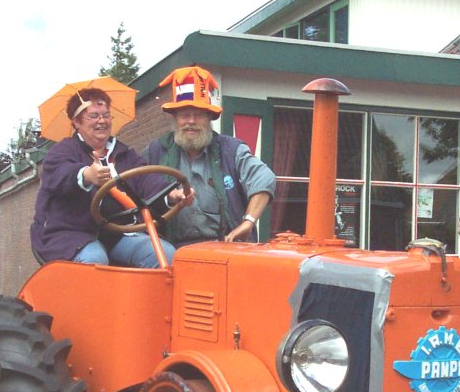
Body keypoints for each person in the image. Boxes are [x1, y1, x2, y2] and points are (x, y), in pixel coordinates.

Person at [30, 87, 188, 267]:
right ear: (76, 122)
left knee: (166, 254)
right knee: (95, 259)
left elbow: (146, 179)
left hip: (116, 234)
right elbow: (60, 174)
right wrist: (87, 174)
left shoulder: (125, 154)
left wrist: (171, 195)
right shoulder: (62, 151)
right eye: (93, 116)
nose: (102, 121)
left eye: (106, 115)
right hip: (71, 234)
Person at [143, 66, 276, 248]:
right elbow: (136, 188)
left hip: (224, 248)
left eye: (199, 115)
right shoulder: (156, 151)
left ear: (209, 118)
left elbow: (265, 178)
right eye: (184, 115)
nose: (191, 121)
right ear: (175, 119)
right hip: (170, 250)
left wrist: (248, 222)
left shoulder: (232, 150)